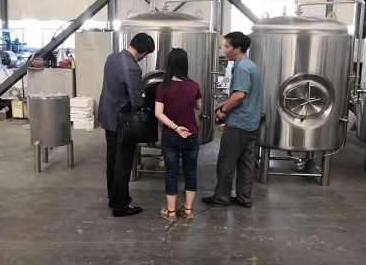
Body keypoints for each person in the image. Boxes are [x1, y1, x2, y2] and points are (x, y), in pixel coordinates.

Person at [98, 33, 156, 217]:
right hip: (122, 121)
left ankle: (113, 197)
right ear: (144, 53)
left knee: (112, 159)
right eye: (146, 55)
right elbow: (136, 100)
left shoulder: (112, 58)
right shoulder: (132, 67)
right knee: (123, 162)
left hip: (108, 115)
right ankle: (120, 206)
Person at [203, 31, 262, 208]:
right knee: (246, 162)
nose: (224, 50)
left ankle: (222, 196)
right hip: (250, 122)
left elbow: (239, 96)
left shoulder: (241, 67)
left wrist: (223, 111)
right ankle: (244, 197)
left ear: (237, 49)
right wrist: (223, 104)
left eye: (227, 46)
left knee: (227, 162)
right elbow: (241, 94)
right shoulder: (251, 65)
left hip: (238, 123)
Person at [155, 48, 202, 222]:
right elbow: (199, 107)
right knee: (191, 172)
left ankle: (171, 212)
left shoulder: (163, 86)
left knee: (171, 173)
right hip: (191, 135)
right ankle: (188, 209)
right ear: (185, 64)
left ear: (169, 64)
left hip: (171, 135)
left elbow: (158, 113)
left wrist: (175, 127)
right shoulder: (194, 85)